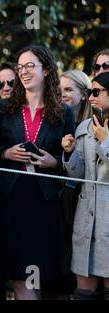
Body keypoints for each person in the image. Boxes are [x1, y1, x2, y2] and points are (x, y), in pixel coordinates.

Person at [0, 45, 75, 300]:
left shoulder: (63, 113)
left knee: (40, 274)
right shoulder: (4, 109)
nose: (24, 71)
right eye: (20, 67)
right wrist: (5, 153)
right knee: (19, 276)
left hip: (45, 201)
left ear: (47, 70)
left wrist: (56, 162)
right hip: (11, 197)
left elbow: (72, 160)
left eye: (30, 66)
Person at [62, 71, 109, 300]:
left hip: (108, 222)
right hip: (86, 222)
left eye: (97, 92)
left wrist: (105, 141)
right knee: (83, 294)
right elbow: (77, 175)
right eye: (90, 91)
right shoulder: (83, 128)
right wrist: (69, 154)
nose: (91, 97)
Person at [56, 70, 93, 298]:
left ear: (84, 94)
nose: (62, 95)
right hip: (63, 197)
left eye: (69, 90)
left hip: (86, 199)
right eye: (59, 90)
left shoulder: (93, 124)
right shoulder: (58, 119)